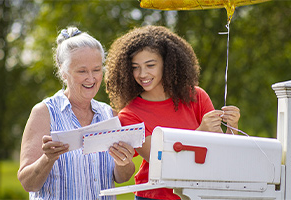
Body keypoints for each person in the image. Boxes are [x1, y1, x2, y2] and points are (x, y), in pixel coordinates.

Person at [105, 25, 240, 200]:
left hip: (199, 193)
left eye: (150, 65)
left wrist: (232, 127)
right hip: (155, 197)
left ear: (167, 64)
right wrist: (201, 132)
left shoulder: (196, 96)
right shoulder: (130, 114)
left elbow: (220, 152)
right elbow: (161, 160)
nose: (142, 74)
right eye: (135, 67)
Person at [17, 26, 135, 200]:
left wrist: (123, 161)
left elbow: (121, 177)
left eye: (96, 70)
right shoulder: (44, 112)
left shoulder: (109, 113)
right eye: (82, 71)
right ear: (64, 72)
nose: (91, 78)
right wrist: (48, 159)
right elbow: (28, 183)